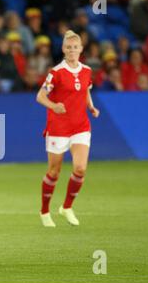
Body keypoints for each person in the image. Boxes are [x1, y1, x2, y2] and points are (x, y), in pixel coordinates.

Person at [36, 30, 100, 227]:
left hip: (81, 126)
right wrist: (54, 106)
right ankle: (45, 211)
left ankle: (66, 207)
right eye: (68, 47)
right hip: (58, 127)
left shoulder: (87, 71)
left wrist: (90, 107)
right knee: (54, 171)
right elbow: (40, 96)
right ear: (63, 49)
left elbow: (85, 91)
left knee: (80, 168)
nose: (72, 50)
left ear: (81, 49)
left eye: (75, 47)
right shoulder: (56, 72)